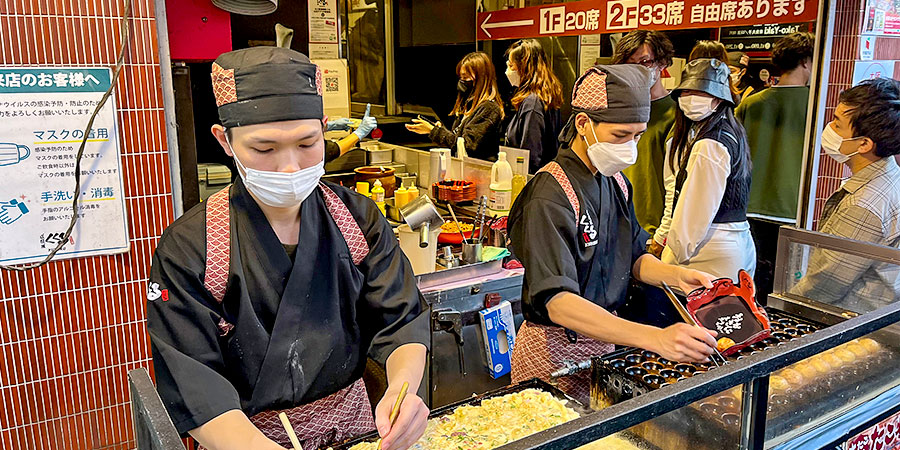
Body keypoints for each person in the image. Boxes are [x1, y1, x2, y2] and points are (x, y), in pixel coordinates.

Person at [147, 47, 430, 450]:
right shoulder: (193, 247)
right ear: (224, 141)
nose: (290, 167)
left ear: (325, 128)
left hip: (353, 428)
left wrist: (403, 392)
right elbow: (194, 384)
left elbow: (401, 318)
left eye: (308, 143)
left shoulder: (356, 219)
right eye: (264, 149)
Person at [507, 64, 720, 404]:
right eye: (620, 136)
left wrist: (678, 277)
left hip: (604, 344)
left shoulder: (616, 182)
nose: (630, 147)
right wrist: (655, 338)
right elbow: (557, 302)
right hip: (553, 350)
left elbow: (634, 258)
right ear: (583, 124)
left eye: (637, 136)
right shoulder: (550, 194)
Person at [791, 78, 900, 312]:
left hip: (850, 322)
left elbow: (823, 286)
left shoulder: (864, 205)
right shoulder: (891, 175)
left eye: (837, 125)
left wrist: (783, 308)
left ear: (863, 144)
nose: (829, 129)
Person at [650, 58, 756, 281]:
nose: (691, 99)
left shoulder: (709, 144)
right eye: (686, 91)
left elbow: (694, 211)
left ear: (719, 99)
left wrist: (670, 257)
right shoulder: (729, 131)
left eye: (702, 92)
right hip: (733, 244)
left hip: (709, 249)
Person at [736, 32, 815, 297]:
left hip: (750, 207)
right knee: (788, 290)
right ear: (805, 61)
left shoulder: (751, 103)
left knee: (751, 284)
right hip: (794, 210)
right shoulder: (817, 106)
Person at [612, 30, 677, 235]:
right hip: (615, 221)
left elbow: (677, 183)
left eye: (645, 62)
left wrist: (663, 232)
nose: (636, 71)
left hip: (652, 229)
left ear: (662, 63)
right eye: (630, 64)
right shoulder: (617, 110)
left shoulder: (676, 116)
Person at [406, 51, 504, 161]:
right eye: (461, 77)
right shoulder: (468, 105)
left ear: (481, 79)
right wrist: (438, 129)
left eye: (466, 77)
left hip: (481, 172)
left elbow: (466, 146)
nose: (462, 82)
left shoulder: (489, 109)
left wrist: (433, 131)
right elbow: (456, 140)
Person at [503, 39, 563, 173]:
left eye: (511, 66)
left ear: (524, 67)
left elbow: (531, 156)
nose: (508, 71)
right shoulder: (545, 97)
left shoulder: (532, 103)